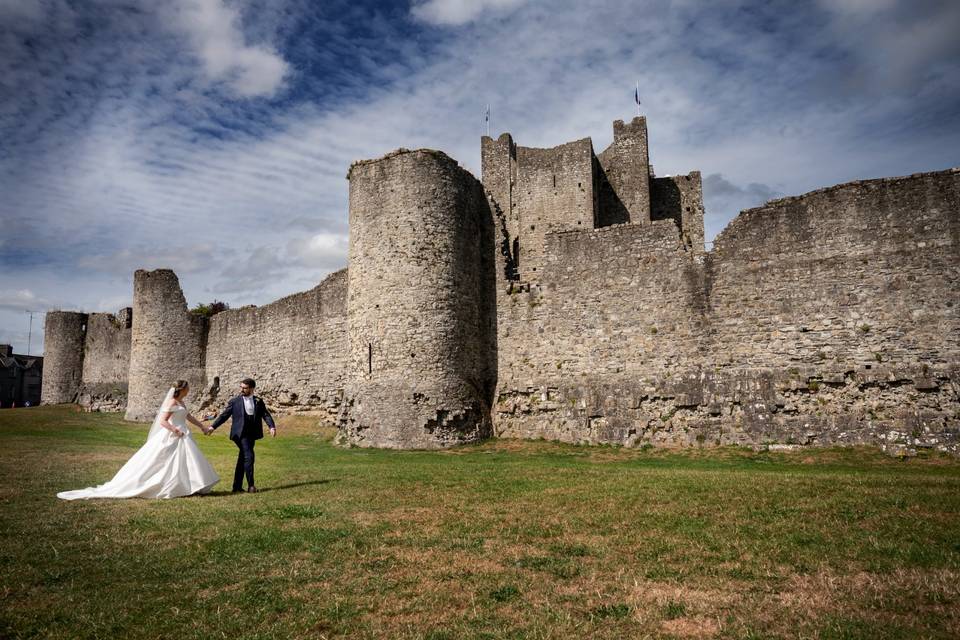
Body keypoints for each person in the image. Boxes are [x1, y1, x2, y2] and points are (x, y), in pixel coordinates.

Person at [57, 380, 219, 500]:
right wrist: (174, 429)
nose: (189, 389)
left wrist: (202, 427)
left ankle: (189, 485)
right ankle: (169, 485)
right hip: (172, 434)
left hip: (184, 434)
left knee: (187, 461)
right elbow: (163, 421)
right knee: (164, 462)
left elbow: (188, 416)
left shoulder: (182, 402)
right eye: (188, 387)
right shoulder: (172, 402)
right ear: (182, 389)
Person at [206, 378, 276, 493]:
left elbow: (265, 414)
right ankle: (251, 486)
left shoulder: (258, 401)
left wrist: (271, 426)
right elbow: (224, 416)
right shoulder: (235, 401)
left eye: (245, 388)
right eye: (241, 387)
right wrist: (213, 427)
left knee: (242, 458)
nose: (242, 390)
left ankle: (236, 487)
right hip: (239, 434)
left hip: (252, 434)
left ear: (252, 389)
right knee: (249, 456)